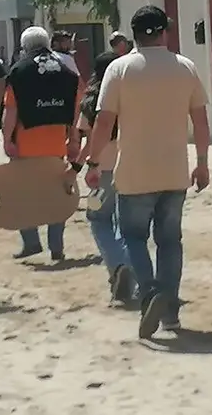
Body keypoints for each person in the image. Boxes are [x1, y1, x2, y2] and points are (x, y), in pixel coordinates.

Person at [84, 6, 210, 338]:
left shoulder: (119, 69)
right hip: (174, 169)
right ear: (165, 32)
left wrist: (94, 162)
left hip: (135, 170)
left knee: (133, 237)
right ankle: (170, 313)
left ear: (135, 34)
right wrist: (203, 161)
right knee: (170, 241)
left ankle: (150, 290)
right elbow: (200, 120)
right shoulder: (185, 67)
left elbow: (104, 121)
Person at [4, 27, 81, 261]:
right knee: (56, 194)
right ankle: (56, 246)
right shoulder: (67, 70)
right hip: (56, 142)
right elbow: (76, 107)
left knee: (23, 194)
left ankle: (31, 242)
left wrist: (7, 139)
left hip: (26, 142)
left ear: (24, 45)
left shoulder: (19, 70)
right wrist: (73, 137)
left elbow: (11, 110)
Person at [73, 51, 135, 304]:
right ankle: (129, 265)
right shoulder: (131, 97)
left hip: (101, 173)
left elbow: (89, 142)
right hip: (131, 167)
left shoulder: (90, 102)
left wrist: (77, 168)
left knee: (97, 218)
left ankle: (117, 265)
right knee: (126, 223)